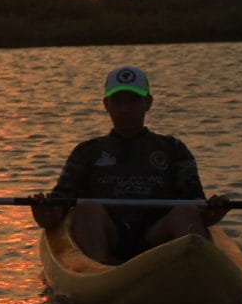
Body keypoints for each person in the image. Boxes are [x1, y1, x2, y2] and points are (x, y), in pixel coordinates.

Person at [31, 65, 229, 264]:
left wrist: (211, 212)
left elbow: (195, 203)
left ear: (148, 103)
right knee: (86, 208)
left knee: (186, 211)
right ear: (106, 104)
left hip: (157, 234)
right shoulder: (87, 151)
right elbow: (60, 202)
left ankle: (192, 273)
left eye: (133, 101)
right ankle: (97, 276)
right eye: (117, 101)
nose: (125, 109)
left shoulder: (173, 149)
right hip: (108, 236)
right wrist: (47, 212)